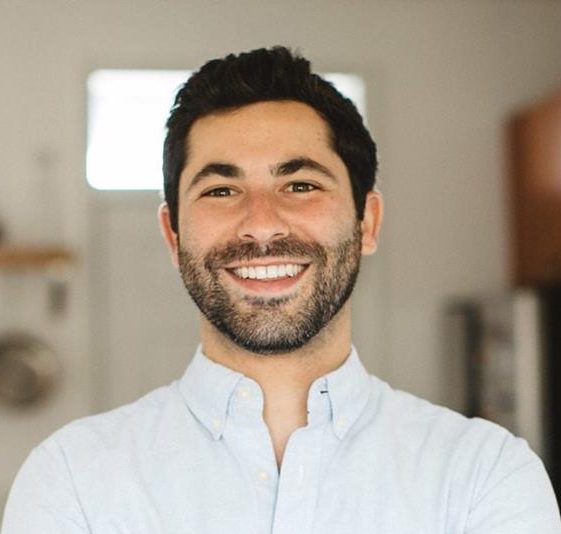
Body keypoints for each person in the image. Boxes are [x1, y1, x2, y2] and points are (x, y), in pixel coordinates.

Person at [2, 46, 560, 533]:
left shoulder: (485, 477)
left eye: (300, 184)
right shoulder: (72, 480)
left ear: (367, 222)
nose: (262, 224)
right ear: (173, 234)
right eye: (221, 190)